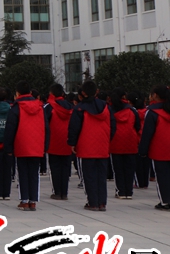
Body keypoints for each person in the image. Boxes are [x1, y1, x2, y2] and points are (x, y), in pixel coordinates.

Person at [68, 80, 115, 211]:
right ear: (96, 91)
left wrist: (72, 143)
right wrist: (107, 139)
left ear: (83, 93)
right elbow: (113, 125)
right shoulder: (106, 107)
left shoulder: (80, 108)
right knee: (101, 176)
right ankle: (102, 203)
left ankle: (92, 202)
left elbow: (74, 128)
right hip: (102, 145)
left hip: (86, 146)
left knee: (89, 176)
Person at [4, 82, 49, 211]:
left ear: (17, 93)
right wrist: (45, 145)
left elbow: (10, 128)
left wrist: (8, 147)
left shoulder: (16, 107)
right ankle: (33, 200)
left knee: (22, 173)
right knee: (34, 173)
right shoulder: (40, 107)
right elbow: (46, 127)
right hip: (37, 144)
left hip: (21, 144)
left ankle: (24, 200)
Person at [138, 86, 170, 210]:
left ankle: (165, 201)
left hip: (159, 149)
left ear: (155, 95)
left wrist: (143, 150)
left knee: (162, 176)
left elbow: (147, 133)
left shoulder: (152, 112)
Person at [109, 88, 139, 200]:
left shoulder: (110, 110)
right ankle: (129, 192)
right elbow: (137, 126)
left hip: (115, 142)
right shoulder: (132, 110)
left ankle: (121, 191)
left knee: (118, 169)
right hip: (130, 142)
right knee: (129, 168)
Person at [44, 83, 73, 201]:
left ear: (51, 93)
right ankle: (64, 192)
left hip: (53, 141)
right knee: (66, 168)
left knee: (55, 167)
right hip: (67, 141)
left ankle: (57, 192)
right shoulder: (70, 107)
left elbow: (44, 124)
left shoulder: (49, 107)